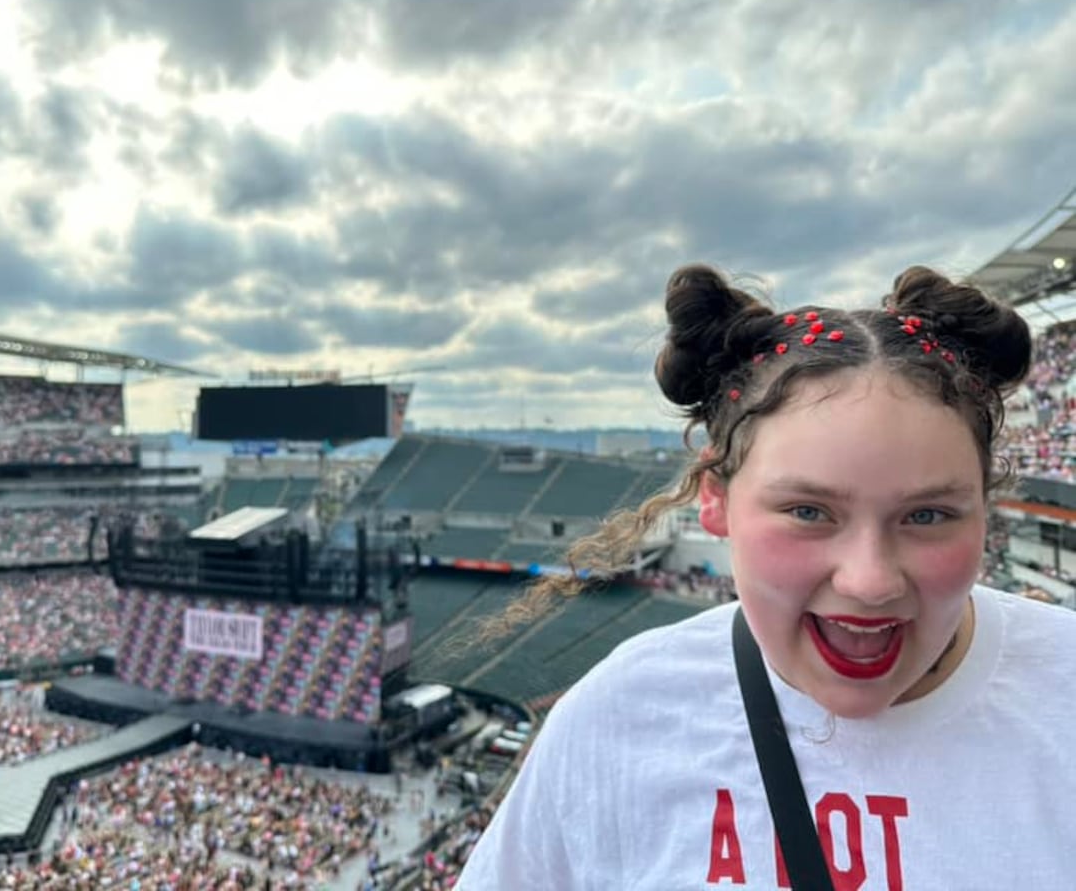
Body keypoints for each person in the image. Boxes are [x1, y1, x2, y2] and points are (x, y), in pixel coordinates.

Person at [457, 264, 1076, 889]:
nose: (869, 581)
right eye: (808, 512)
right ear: (716, 500)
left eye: (927, 515)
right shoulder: (616, 718)